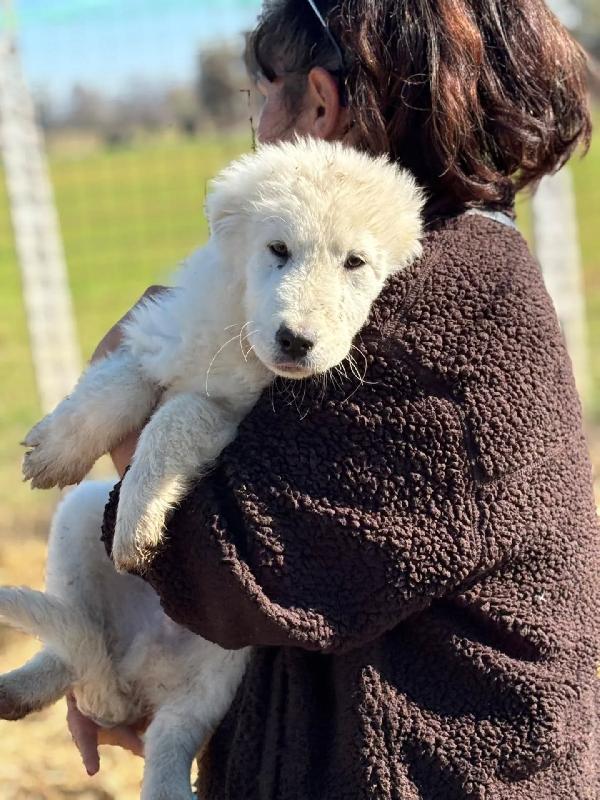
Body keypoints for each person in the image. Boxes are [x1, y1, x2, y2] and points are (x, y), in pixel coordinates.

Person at [68, 1, 598, 797]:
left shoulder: (431, 307)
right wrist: (120, 665)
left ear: (317, 100)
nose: (258, 128)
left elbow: (226, 566)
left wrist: (135, 374)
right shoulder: (447, 262)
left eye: (258, 100)